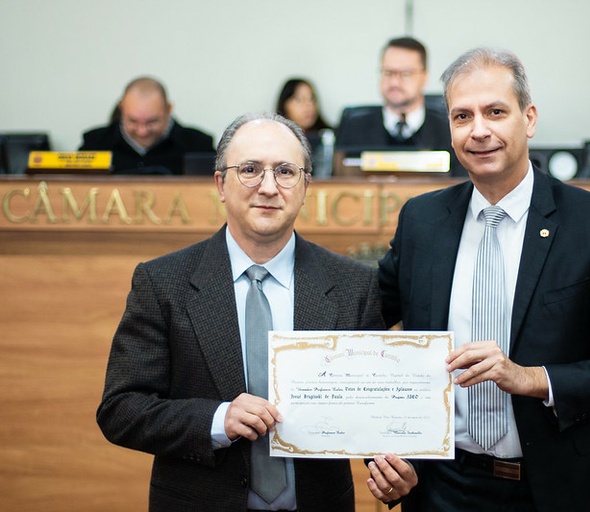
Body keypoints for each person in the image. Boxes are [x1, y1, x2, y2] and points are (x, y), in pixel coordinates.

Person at [369, 47, 590, 511]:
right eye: (462, 116)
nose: (479, 130)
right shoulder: (422, 221)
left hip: (566, 486)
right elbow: (362, 330)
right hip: (443, 488)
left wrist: (531, 378)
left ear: (529, 119)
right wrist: (381, 454)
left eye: (495, 112)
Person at [96, 111, 385, 512]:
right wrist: (217, 420)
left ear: (305, 187)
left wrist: (391, 465)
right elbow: (120, 410)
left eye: (285, 171)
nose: (268, 187)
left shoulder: (354, 285)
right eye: (250, 170)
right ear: (220, 183)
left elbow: (373, 406)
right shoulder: (163, 282)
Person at [334, 36, 466, 177]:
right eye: (388, 73)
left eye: (405, 74)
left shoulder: (448, 127)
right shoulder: (353, 126)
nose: (395, 82)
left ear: (424, 77)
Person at [80, 76, 215, 174]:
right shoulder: (94, 144)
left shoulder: (199, 146)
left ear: (168, 108)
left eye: (152, 122)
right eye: (133, 121)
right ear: (121, 108)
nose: (142, 131)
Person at [275, 78, 334, 176]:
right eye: (299, 100)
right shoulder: (274, 138)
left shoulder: (329, 137)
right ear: (284, 105)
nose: (308, 106)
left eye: (312, 99)